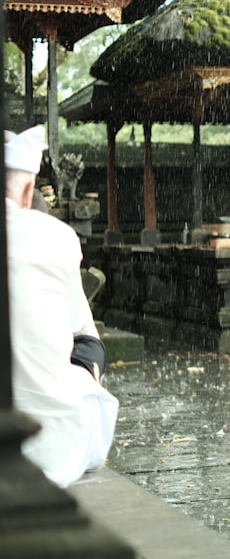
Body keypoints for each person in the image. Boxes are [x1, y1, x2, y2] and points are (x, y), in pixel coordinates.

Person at [5, 125, 119, 487]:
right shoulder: (58, 237)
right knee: (87, 352)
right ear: (28, 191)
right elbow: (82, 330)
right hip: (49, 447)